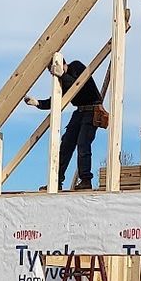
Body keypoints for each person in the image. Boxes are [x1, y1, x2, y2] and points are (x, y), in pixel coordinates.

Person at [23, 59, 106, 190]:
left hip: (92, 109)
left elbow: (78, 85)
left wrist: (63, 75)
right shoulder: (63, 80)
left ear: (61, 64)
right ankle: (56, 181)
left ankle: (85, 180)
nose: (52, 73)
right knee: (66, 144)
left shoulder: (76, 66)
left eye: (52, 69)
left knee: (83, 143)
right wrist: (38, 103)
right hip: (79, 111)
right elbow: (55, 100)